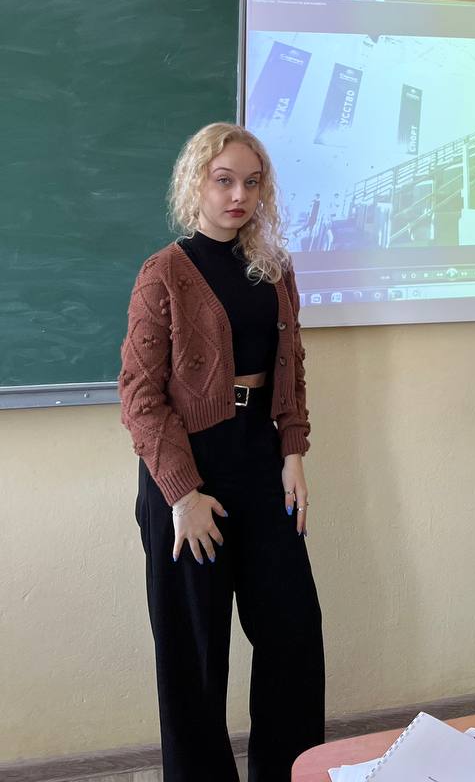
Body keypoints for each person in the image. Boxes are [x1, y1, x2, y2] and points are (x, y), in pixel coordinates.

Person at [119, 123, 325, 781]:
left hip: (260, 462)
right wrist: (183, 494)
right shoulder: (164, 273)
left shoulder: (274, 269)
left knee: (294, 635)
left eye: (252, 183)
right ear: (196, 184)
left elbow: (290, 369)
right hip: (187, 475)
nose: (239, 195)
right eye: (224, 180)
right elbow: (139, 397)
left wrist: (293, 452)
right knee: (195, 658)